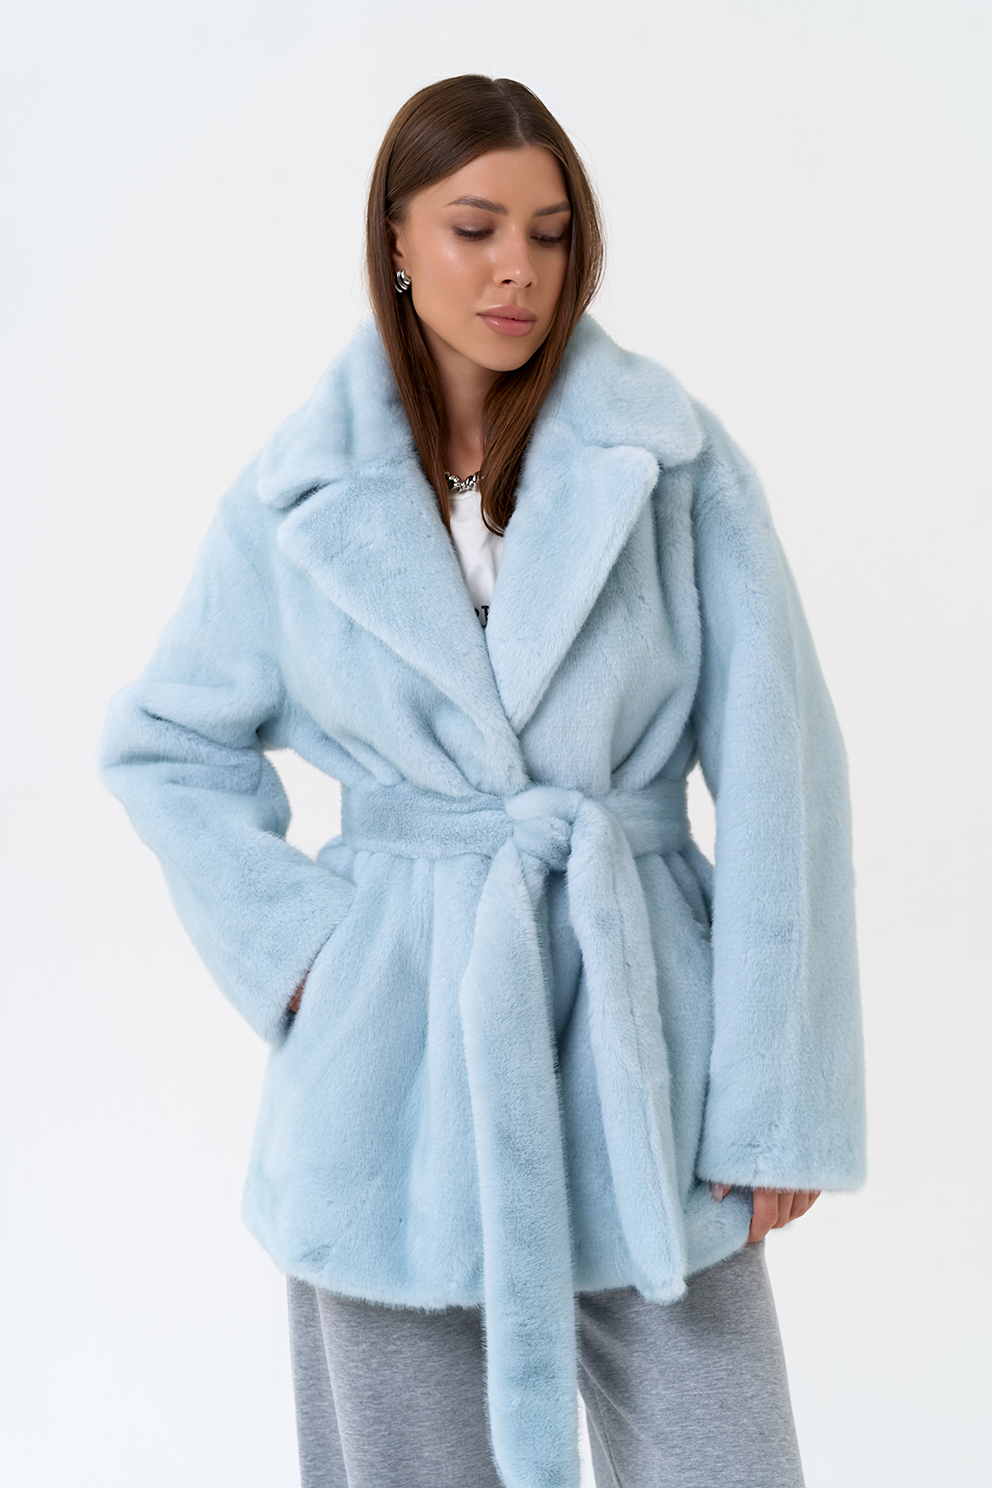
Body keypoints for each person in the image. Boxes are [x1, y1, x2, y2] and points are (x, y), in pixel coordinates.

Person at [99, 75, 866, 1488]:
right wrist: (312, 958)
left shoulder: (670, 465)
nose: (519, 267)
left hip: (646, 1052)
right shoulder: (297, 495)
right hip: (392, 1083)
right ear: (396, 237)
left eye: (551, 234)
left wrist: (776, 1099)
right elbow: (166, 743)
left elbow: (784, 779)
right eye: (476, 228)